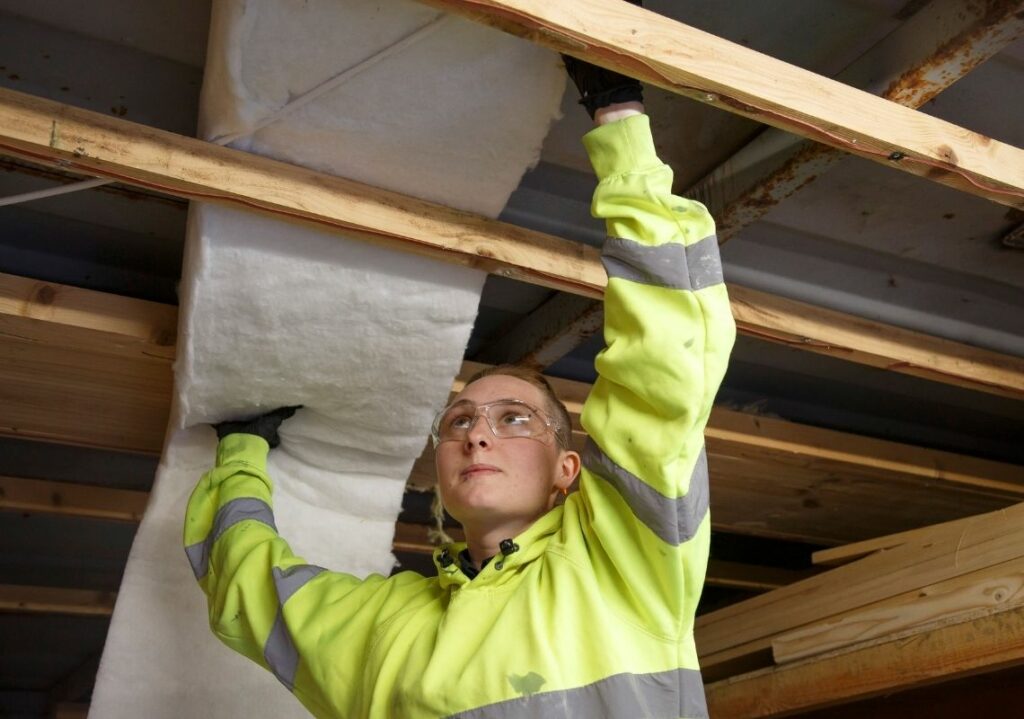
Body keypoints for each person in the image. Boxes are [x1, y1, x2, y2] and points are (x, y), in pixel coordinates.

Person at [184, 36, 736, 719]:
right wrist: (242, 449)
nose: (478, 435)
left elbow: (667, 363)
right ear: (437, 472)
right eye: (459, 422)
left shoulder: (622, 568)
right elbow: (247, 587)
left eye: (513, 418)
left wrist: (618, 118)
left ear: (570, 467)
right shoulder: (382, 630)